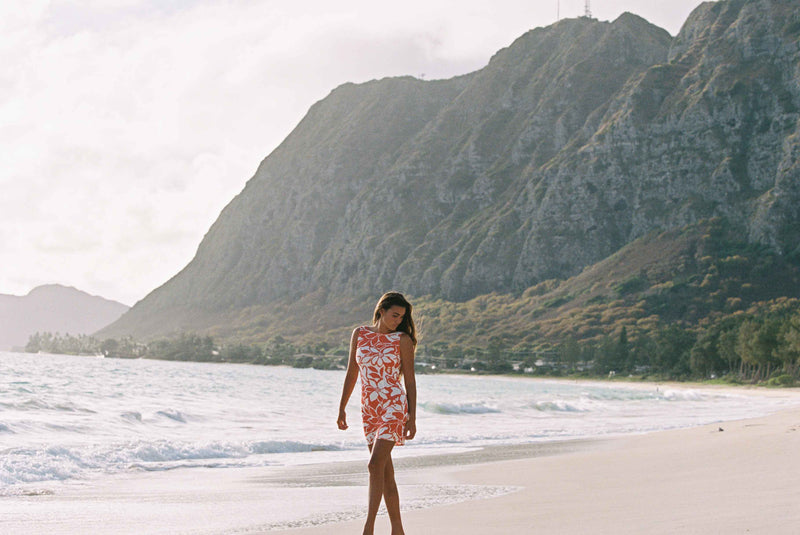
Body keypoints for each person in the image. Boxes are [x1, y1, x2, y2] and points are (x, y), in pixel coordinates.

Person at [338, 291, 418, 535]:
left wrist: (412, 416)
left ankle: (368, 527)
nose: (397, 320)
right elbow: (352, 371)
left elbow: (410, 382)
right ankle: (398, 530)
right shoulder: (360, 334)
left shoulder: (401, 340)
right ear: (381, 311)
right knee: (385, 473)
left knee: (374, 465)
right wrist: (341, 407)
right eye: (394, 315)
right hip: (370, 409)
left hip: (393, 405)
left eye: (401, 317)